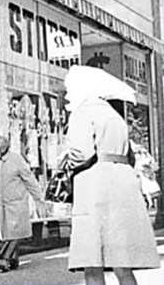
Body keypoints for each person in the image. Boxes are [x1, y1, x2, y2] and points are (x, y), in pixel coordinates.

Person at [61, 65, 159, 285]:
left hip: (94, 186)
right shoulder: (114, 115)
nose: (68, 94)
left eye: (70, 88)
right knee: (121, 262)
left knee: (92, 261)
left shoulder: (82, 112)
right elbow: (130, 155)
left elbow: (81, 152)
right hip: (122, 186)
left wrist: (66, 157)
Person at [0, 135, 43, 272]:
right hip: (0, 204)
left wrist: (39, 198)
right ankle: (14, 259)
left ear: (3, 147)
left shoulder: (16, 159)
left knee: (15, 233)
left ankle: (5, 259)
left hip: (16, 203)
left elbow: (29, 179)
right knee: (9, 233)